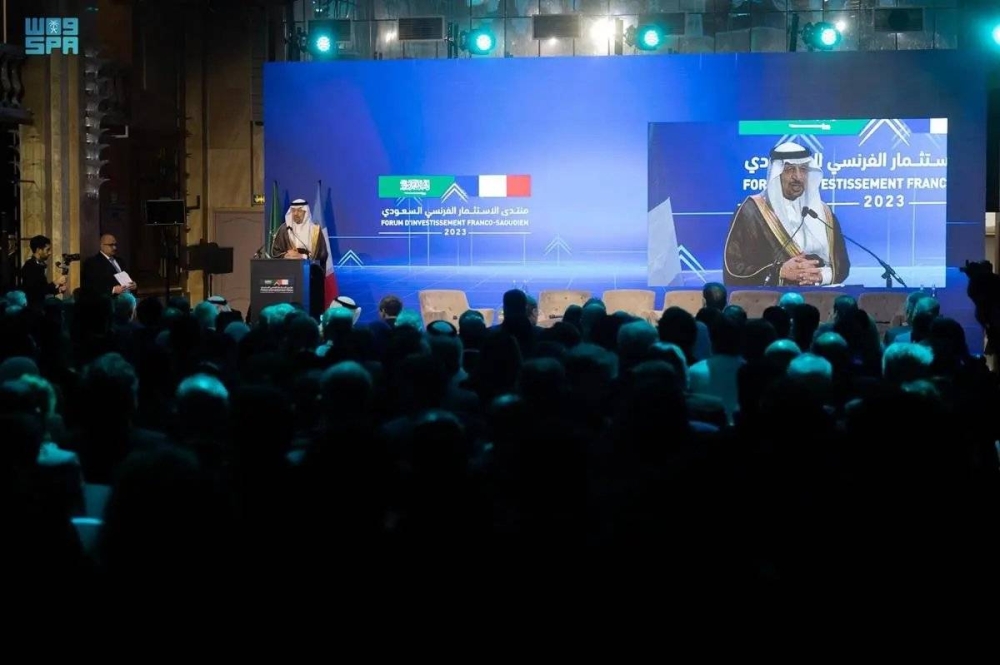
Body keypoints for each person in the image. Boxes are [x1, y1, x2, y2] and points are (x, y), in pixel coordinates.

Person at [723, 142, 850, 287]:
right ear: (776, 174)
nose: (798, 177)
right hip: (771, 298)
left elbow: (842, 265)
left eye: (803, 169)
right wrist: (779, 272)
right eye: (790, 169)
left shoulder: (823, 213)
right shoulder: (752, 211)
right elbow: (733, 271)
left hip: (819, 296)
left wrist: (821, 276)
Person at [271, 198, 330, 317]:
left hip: (311, 277)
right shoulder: (284, 230)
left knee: (311, 307)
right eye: (293, 211)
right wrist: (286, 255)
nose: (295, 214)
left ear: (305, 212)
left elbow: (323, 254)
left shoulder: (315, 231)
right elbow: (275, 251)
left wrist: (303, 256)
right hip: (288, 276)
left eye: (299, 211)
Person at [20, 235, 66, 308]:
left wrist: (58, 290)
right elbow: (36, 291)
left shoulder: (39, 264)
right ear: (39, 250)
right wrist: (56, 282)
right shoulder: (30, 266)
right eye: (47, 250)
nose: (50, 252)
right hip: (33, 309)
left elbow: (43, 288)